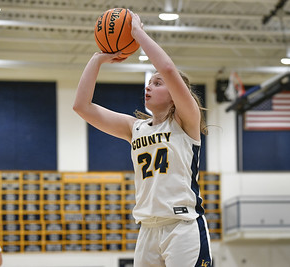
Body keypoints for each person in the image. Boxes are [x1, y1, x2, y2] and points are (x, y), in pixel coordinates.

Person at [73, 10, 212, 267]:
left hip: (182, 227)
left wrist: (138, 33)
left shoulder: (185, 121)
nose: (149, 86)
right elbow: (82, 106)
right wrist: (97, 59)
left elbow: (169, 68)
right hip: (147, 229)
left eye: (158, 83)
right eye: (149, 83)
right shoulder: (135, 127)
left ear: (175, 95)